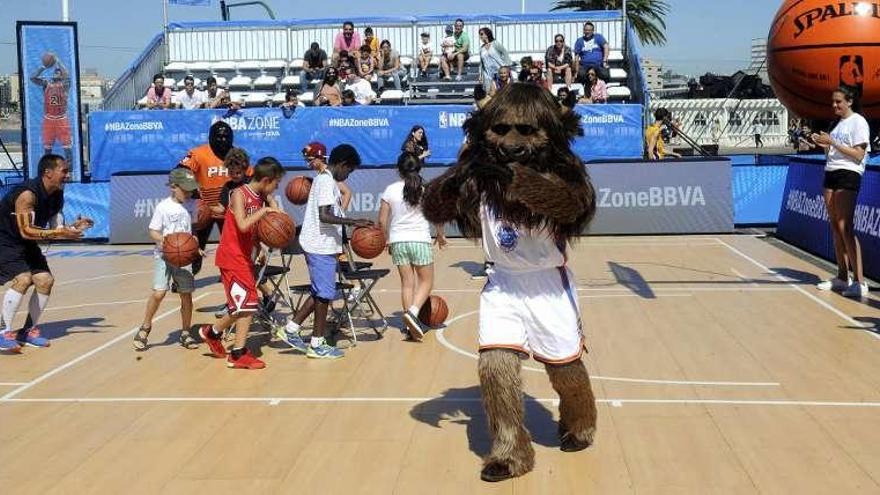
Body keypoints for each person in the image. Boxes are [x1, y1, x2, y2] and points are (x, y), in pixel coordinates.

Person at [275, 143, 372, 359]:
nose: (349, 175)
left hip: (321, 244)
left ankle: (291, 329)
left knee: (321, 292)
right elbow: (325, 215)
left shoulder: (325, 180)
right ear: (343, 164)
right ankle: (317, 344)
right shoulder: (327, 181)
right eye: (350, 170)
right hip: (319, 245)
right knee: (324, 295)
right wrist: (354, 221)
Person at [198, 158, 285, 369]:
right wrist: (265, 210)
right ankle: (237, 354)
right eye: (276, 183)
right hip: (230, 257)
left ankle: (212, 332)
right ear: (266, 180)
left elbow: (257, 228)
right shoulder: (239, 194)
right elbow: (243, 225)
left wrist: (260, 245)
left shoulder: (259, 196)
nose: (277, 187)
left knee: (243, 305)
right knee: (248, 304)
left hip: (244, 256)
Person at [0, 154, 92, 352]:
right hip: (4, 240)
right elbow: (26, 230)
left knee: (45, 281)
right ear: (48, 173)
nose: (67, 175)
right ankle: (2, 332)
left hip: (26, 242)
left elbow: (54, 229)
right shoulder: (27, 195)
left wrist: (73, 228)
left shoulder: (57, 194)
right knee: (23, 279)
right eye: (64, 171)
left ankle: (27, 331)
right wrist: (59, 232)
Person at [379, 153, 447, 341]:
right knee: (426, 282)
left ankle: (410, 327)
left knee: (407, 284)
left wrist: (386, 239)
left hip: (398, 241)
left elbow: (382, 220)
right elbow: (437, 215)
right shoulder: (425, 189)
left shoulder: (390, 190)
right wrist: (440, 235)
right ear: (419, 168)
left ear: (398, 169)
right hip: (420, 240)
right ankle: (413, 313)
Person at [132, 168, 202, 351]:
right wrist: (164, 241)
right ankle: (145, 327)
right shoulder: (163, 207)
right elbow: (153, 230)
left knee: (186, 295)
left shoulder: (192, 205)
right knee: (159, 293)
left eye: (190, 189)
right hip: (164, 256)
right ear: (173, 186)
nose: (188, 193)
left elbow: (191, 231)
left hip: (184, 258)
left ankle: (186, 332)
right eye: (185, 189)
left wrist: (195, 245)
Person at [812, 86, 871, 298]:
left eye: (838, 101)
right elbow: (833, 152)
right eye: (833, 102)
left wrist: (833, 142)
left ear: (850, 101)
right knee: (835, 226)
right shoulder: (836, 124)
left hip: (849, 173)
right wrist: (822, 143)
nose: (834, 105)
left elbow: (857, 154)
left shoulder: (859, 122)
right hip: (831, 172)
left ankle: (860, 281)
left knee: (846, 226)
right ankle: (842, 275)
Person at [178, 121, 234, 275]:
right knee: (194, 248)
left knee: (232, 250)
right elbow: (180, 172)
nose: (222, 140)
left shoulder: (236, 155)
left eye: (226, 137)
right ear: (210, 137)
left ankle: (231, 278)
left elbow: (249, 178)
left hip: (229, 212)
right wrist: (194, 194)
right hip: (203, 210)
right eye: (219, 137)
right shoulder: (198, 154)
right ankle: (184, 280)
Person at [31, 56, 73, 165]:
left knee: (67, 147)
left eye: (58, 72)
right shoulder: (46, 84)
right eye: (55, 72)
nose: (56, 73)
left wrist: (58, 62)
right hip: (49, 119)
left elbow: (67, 75)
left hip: (61, 119)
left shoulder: (64, 85)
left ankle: (70, 172)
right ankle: (47, 169)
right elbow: (33, 78)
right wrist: (43, 67)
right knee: (47, 148)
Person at [478, 27, 511, 93]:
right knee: (490, 92)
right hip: (488, 74)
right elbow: (481, 63)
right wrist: (480, 75)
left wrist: (507, 67)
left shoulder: (495, 44)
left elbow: (505, 53)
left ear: (487, 34)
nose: (480, 36)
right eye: (479, 34)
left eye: (481, 34)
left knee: (503, 92)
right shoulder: (482, 48)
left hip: (500, 72)